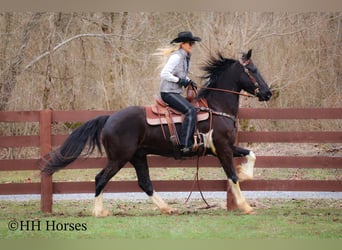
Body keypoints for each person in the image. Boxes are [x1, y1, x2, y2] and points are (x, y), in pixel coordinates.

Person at [158, 31, 201, 154]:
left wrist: (188, 81)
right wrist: (179, 80)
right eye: (190, 43)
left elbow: (181, 75)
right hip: (167, 92)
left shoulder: (185, 57)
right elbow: (164, 74)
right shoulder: (177, 56)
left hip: (174, 92)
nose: (192, 45)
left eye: (193, 43)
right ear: (182, 44)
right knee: (190, 110)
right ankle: (185, 144)